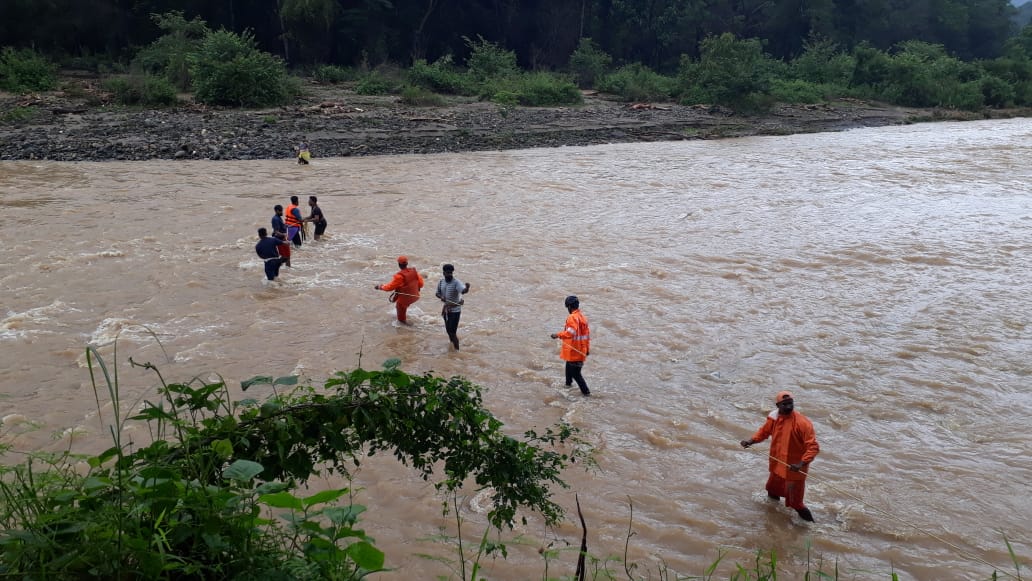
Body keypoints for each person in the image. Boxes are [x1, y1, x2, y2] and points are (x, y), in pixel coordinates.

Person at [740, 391, 820, 522]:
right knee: (771, 490)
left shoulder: (803, 423)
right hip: (777, 466)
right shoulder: (774, 418)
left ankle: (812, 528)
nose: (788, 407)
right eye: (785, 404)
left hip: (794, 471)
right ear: (778, 405)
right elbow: (764, 432)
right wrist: (751, 441)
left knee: (796, 504)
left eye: (790, 403)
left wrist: (801, 463)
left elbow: (813, 447)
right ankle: (774, 517)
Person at [550, 295, 591, 396]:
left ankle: (587, 394)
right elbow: (587, 335)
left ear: (569, 307)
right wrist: (587, 349)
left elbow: (570, 332)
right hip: (581, 350)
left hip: (575, 352)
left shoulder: (572, 317)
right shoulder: (582, 317)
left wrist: (557, 335)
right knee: (568, 369)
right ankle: (568, 386)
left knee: (576, 374)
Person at [374, 256, 424, 325]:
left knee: (401, 319)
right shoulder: (414, 271)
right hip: (415, 296)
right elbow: (421, 284)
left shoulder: (399, 276)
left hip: (404, 300)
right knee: (403, 307)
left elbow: (389, 288)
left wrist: (380, 287)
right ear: (407, 263)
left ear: (399, 264)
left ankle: (406, 326)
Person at [435, 264, 470, 350]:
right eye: (447, 273)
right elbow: (437, 293)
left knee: (452, 332)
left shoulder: (456, 282)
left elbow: (463, 291)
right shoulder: (441, 282)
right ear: (444, 273)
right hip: (446, 310)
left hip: (455, 311)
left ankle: (457, 351)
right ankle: (452, 348)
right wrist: (441, 297)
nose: (449, 274)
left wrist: (467, 288)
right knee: (448, 331)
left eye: (451, 273)